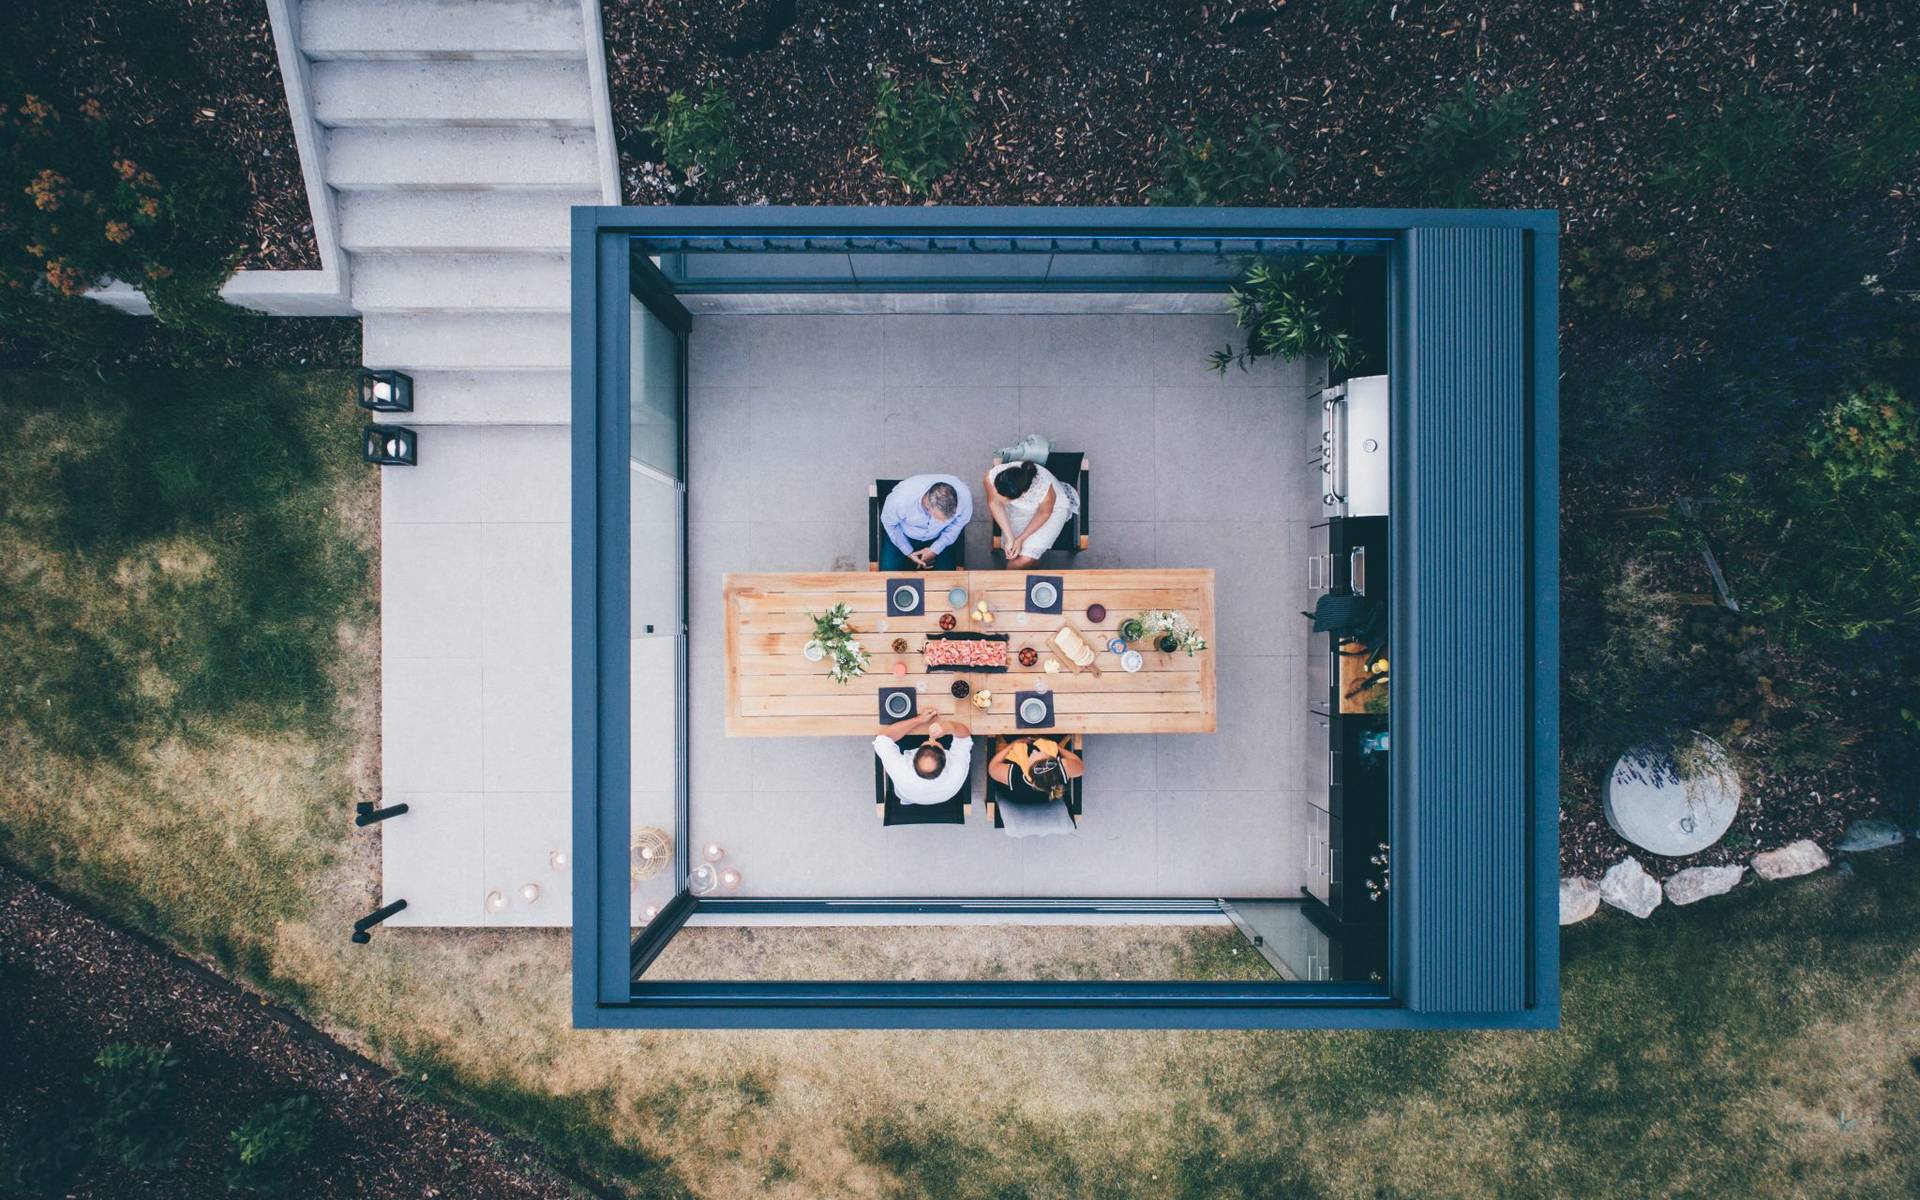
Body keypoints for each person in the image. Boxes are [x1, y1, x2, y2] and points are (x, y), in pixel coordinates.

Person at [983, 459, 1078, 568]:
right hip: (1019, 509)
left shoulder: (1044, 490)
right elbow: (994, 503)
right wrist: (1010, 538)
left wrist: (1020, 539)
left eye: (1006, 499)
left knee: (1023, 560)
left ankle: (1029, 561)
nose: (1000, 499)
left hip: (1049, 511)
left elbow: (1044, 513)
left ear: (1022, 494)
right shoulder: (991, 477)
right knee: (1016, 553)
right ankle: (1031, 562)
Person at [873, 711, 974, 805]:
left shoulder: (900, 769)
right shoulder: (956, 771)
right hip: (943, 796)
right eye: (935, 745)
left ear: (913, 760)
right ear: (946, 762)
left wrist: (919, 720)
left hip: (909, 796)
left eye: (927, 745)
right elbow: (964, 737)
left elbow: (882, 739)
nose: (931, 742)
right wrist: (948, 726)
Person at [879, 475, 971, 571]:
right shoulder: (900, 501)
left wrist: (935, 549)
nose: (943, 522)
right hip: (902, 534)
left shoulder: (964, 498)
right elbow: (890, 524)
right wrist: (908, 551)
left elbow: (957, 525)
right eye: (938, 518)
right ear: (926, 503)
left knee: (947, 580)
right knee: (887, 573)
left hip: (939, 536)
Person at [986, 736, 1084, 802]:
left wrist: (1013, 743)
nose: (1034, 751)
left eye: (1033, 755)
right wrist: (1058, 747)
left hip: (1018, 798)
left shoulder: (1015, 776)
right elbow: (1081, 767)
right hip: (1044, 801)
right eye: (1040, 753)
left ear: (1025, 768)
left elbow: (992, 768)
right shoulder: (1063, 768)